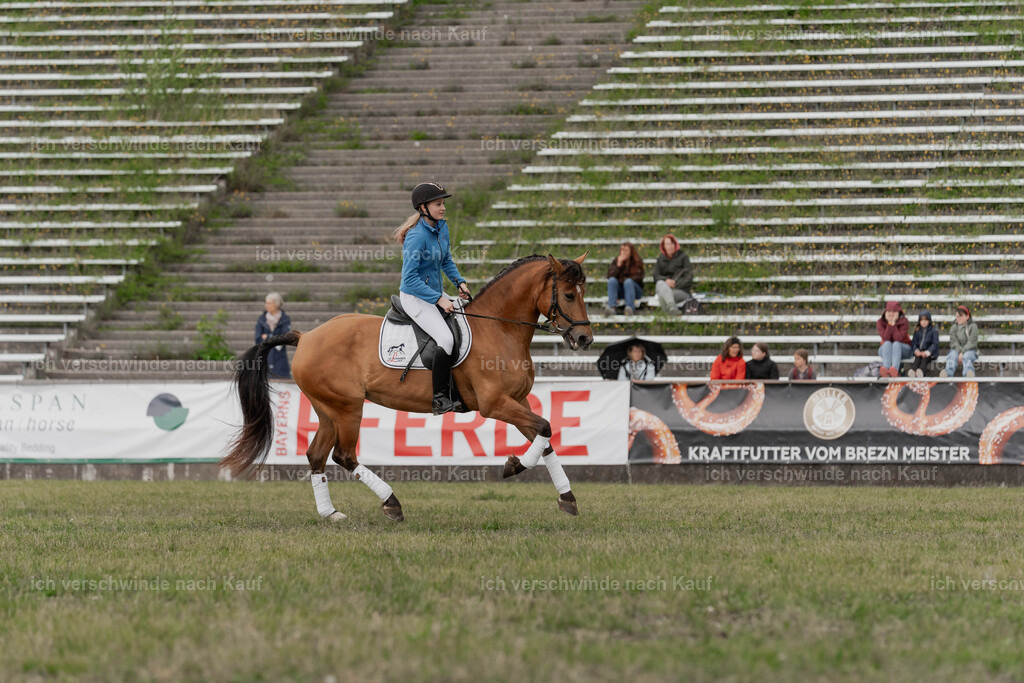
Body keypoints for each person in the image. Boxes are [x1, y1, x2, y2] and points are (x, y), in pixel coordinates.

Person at [394, 181, 472, 414]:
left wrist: (460, 282)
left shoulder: (441, 227)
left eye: (443, 203)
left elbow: (446, 260)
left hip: (434, 294)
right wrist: (439, 299)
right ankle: (439, 397)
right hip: (415, 298)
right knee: (446, 340)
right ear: (423, 207)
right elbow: (409, 280)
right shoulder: (416, 237)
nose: (443, 207)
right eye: (438, 204)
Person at [653, 234, 694, 315]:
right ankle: (672, 308)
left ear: (675, 245)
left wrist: (675, 284)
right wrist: (666, 280)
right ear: (664, 246)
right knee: (660, 283)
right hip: (665, 288)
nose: (670, 246)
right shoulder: (660, 259)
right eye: (668, 244)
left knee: (662, 296)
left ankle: (668, 313)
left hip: (681, 290)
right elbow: (656, 276)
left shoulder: (684, 257)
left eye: (672, 243)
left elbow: (689, 276)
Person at [255, 292, 292, 379]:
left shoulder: (285, 319)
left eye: (269, 303)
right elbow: (258, 339)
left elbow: (284, 338)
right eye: (266, 303)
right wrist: (274, 338)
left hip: (279, 359)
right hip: (265, 357)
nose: (266, 305)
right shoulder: (261, 320)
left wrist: (267, 337)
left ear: (276, 304)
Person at [605, 242, 644, 316]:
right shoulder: (616, 261)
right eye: (622, 250)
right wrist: (618, 265)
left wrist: (623, 279)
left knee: (628, 282)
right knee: (612, 281)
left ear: (631, 252)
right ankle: (612, 308)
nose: (623, 252)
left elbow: (639, 278)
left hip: (635, 290)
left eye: (626, 250)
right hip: (621, 290)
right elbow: (609, 276)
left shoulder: (637, 262)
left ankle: (629, 308)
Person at [941, 305, 979, 378]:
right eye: (957, 316)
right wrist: (959, 352)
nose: (958, 318)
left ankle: (968, 375)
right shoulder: (954, 327)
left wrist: (963, 352)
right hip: (956, 350)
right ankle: (947, 375)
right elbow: (953, 342)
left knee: (967, 356)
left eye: (960, 316)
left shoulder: (973, 326)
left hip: (970, 350)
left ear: (967, 316)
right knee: (952, 355)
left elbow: (972, 342)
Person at [876, 300, 911, 378]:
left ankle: (894, 369)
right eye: (889, 311)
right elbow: (885, 338)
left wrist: (894, 324)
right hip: (886, 350)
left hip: (903, 349)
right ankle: (886, 369)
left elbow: (898, 338)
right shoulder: (880, 322)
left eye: (894, 311)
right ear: (885, 312)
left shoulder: (904, 322)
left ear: (899, 312)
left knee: (896, 344)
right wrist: (889, 324)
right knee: (887, 343)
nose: (891, 314)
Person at [908, 311, 939, 378]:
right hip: (920, 351)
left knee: (924, 360)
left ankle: (921, 372)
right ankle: (913, 371)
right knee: (917, 359)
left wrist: (928, 352)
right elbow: (914, 343)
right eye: (921, 320)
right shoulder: (917, 330)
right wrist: (916, 351)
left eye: (925, 320)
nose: (923, 322)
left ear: (929, 321)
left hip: (930, 353)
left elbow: (935, 344)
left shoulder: (933, 331)